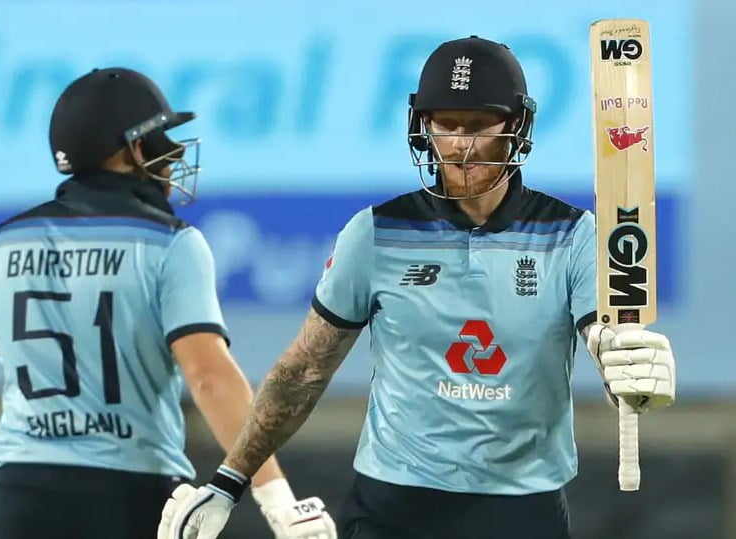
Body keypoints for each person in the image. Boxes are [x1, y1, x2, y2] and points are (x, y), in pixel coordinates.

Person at [158, 36, 677, 539]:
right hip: (393, 506)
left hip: (521, 508)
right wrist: (229, 481)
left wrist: (625, 363)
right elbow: (303, 371)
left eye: (479, 124)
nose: (460, 145)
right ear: (422, 125)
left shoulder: (572, 234)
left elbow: (603, 337)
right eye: (445, 124)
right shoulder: (375, 232)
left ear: (516, 125)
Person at [0, 67, 333, 539]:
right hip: (129, 493)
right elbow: (209, 377)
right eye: (159, 137)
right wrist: (277, 499)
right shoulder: (169, 243)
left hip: (17, 499)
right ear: (131, 150)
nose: (173, 152)